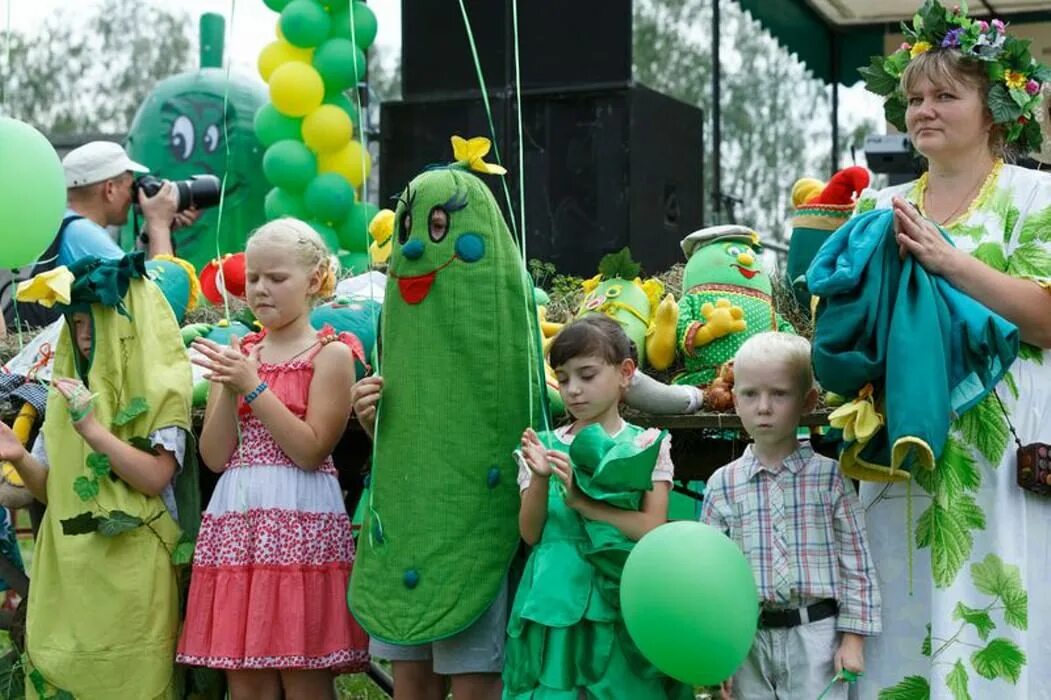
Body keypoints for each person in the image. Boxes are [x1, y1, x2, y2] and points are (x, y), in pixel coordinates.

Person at [853, 4, 1051, 696]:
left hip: (1000, 457)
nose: (923, 110)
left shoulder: (1037, 197)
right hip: (899, 451)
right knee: (901, 619)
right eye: (913, 99)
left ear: (994, 108)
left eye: (944, 95)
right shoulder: (877, 209)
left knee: (998, 616)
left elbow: (1047, 320)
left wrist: (948, 261)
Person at [177, 218, 369, 700]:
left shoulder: (332, 355)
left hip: (300, 518)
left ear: (315, 280)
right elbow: (216, 455)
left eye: (277, 278)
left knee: (301, 668)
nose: (261, 289)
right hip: (238, 517)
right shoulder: (242, 351)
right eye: (254, 278)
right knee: (247, 675)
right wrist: (228, 381)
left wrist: (253, 386)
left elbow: (310, 449)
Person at [0, 253, 196, 698]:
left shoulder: (159, 388)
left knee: (132, 679)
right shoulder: (63, 387)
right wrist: (21, 457)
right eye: (76, 323)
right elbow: (55, 490)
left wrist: (91, 429)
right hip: (69, 569)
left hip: (132, 568)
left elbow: (154, 477)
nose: (84, 335)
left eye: (95, 321)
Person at [503, 314, 693, 699]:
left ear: (625, 372)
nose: (573, 390)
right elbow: (530, 533)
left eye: (587, 375)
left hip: (625, 595)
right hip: (554, 600)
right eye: (564, 377)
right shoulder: (542, 445)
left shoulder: (648, 444)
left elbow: (653, 529)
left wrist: (586, 505)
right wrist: (539, 478)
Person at [701, 332, 880, 700]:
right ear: (735, 401)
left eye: (779, 394)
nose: (763, 407)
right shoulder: (723, 484)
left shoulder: (830, 477)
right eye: (750, 394)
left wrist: (853, 640)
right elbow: (713, 576)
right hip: (748, 641)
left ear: (807, 400)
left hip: (816, 638)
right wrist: (720, 651)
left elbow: (857, 563)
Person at [60, 140, 195, 266]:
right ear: (110, 189)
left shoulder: (68, 226)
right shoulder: (85, 235)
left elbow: (125, 276)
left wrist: (149, 234)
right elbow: (159, 288)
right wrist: (159, 224)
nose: (133, 197)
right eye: (131, 187)